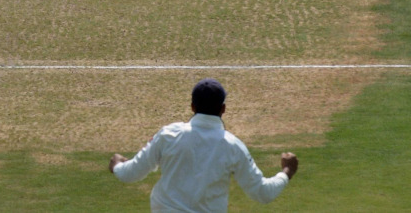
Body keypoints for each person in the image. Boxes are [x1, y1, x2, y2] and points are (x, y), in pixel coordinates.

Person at [110, 78, 298, 213]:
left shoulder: (169, 135)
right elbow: (263, 193)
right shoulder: (233, 146)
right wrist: (287, 171)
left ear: (192, 106)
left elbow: (131, 173)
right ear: (223, 109)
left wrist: (117, 165)